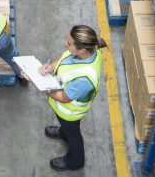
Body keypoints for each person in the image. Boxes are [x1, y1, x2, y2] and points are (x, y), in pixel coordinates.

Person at [32, 25, 106, 172]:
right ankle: (64, 132)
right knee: (68, 130)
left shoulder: (84, 79)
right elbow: (64, 57)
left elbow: (64, 97)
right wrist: (50, 67)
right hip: (64, 111)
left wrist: (44, 87)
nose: (67, 43)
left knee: (74, 136)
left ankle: (75, 161)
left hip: (69, 113)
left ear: (82, 50)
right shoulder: (87, 51)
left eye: (70, 43)